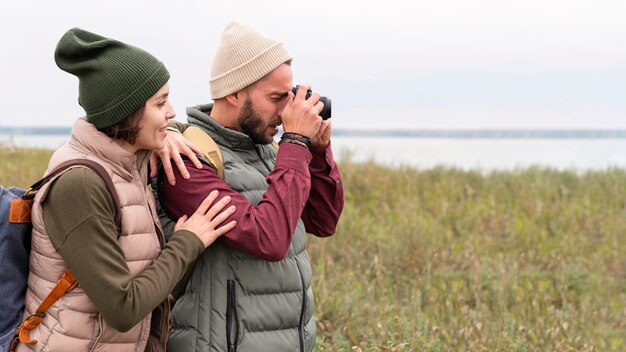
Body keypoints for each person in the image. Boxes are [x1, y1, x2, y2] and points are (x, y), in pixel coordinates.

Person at [15, 28, 237, 352]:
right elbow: (122, 308)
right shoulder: (81, 184)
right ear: (127, 113)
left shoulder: (129, 163)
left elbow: (174, 125)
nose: (172, 111)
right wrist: (188, 241)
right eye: (161, 103)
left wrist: (170, 131)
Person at [156, 21, 345, 352]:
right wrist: (296, 140)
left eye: (290, 97)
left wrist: (315, 149)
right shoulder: (189, 160)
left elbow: (323, 220)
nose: (285, 111)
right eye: (276, 98)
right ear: (234, 92)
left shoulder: (271, 151)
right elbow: (267, 238)